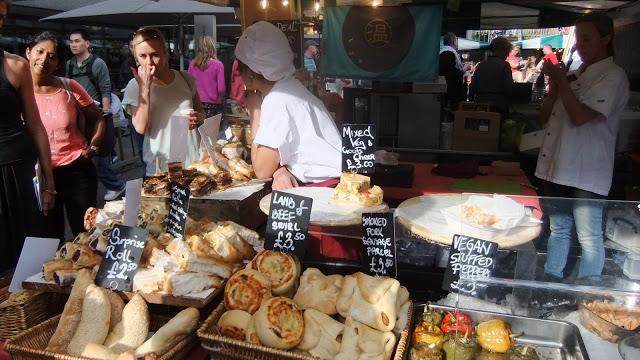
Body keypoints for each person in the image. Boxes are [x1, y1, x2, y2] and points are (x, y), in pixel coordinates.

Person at [536, 13, 629, 280]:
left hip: (588, 170)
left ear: (606, 38)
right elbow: (545, 117)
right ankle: (552, 281)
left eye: (586, 38)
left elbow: (580, 116)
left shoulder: (613, 76)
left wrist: (562, 79)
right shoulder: (577, 74)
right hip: (558, 165)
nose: (579, 45)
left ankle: (588, 292)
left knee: (589, 236)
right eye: (578, 38)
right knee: (559, 229)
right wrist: (554, 83)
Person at [235, 21, 341, 190]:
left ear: (250, 72)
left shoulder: (278, 99)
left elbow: (262, 169)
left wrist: (255, 112)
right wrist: (280, 171)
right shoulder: (289, 89)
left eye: (239, 69)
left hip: (324, 193)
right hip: (330, 185)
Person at [27, 31, 105, 240]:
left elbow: (98, 119)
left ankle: (89, 272)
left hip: (76, 170)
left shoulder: (69, 87)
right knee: (48, 238)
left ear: (58, 62)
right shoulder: (18, 92)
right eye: (40, 52)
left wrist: (93, 148)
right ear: (28, 52)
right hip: (39, 176)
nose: (44, 59)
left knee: (86, 234)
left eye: (52, 56)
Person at [0, 0, 56, 272]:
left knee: (25, 256)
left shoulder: (15, 66)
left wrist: (48, 181)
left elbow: (35, 124)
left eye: (1, 17)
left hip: (18, 173)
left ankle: (27, 312)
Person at [123, 27, 206, 176]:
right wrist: (145, 88)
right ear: (136, 59)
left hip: (193, 161)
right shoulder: (134, 86)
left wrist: (197, 118)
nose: (149, 62)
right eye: (142, 56)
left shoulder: (185, 79)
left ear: (166, 53)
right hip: (160, 167)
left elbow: (201, 113)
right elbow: (140, 127)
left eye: (155, 54)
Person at [66, 29, 125, 201]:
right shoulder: (69, 65)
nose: (74, 44)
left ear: (87, 43)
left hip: (98, 117)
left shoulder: (98, 64)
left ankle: (117, 185)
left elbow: (105, 90)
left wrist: (105, 116)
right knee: (87, 155)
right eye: (71, 41)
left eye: (77, 41)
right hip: (79, 118)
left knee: (100, 156)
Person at [471, 36, 514, 117]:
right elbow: (508, 88)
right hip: (498, 106)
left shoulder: (480, 65)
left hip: (480, 105)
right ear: (501, 49)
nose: (508, 55)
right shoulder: (504, 65)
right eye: (507, 51)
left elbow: (473, 87)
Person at [188, 35, 225, 119]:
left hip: (196, 103)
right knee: (211, 131)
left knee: (197, 131)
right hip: (213, 105)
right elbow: (221, 89)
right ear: (212, 47)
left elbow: (189, 85)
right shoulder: (218, 65)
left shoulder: (192, 64)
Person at [439, 32, 465, 110]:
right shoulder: (448, 52)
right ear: (453, 41)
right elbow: (451, 72)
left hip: (445, 87)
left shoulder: (443, 52)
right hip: (452, 90)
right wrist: (464, 69)